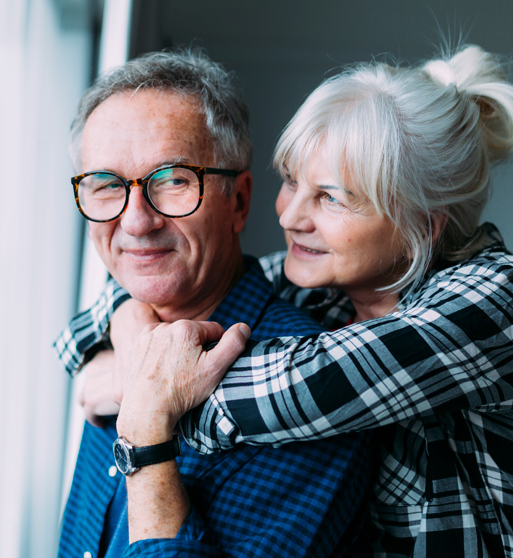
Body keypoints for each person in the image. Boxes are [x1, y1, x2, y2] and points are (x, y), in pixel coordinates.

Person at [56, 44, 513, 557]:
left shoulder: (495, 300)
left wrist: (143, 395)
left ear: (421, 227)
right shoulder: (320, 294)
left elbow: (312, 385)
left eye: (332, 197)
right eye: (293, 181)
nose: (289, 216)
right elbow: (115, 303)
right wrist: (131, 325)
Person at [57, 48, 372, 558]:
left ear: (240, 202)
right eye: (106, 185)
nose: (136, 221)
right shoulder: (122, 343)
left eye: (173, 181)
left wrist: (145, 432)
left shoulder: (312, 395)